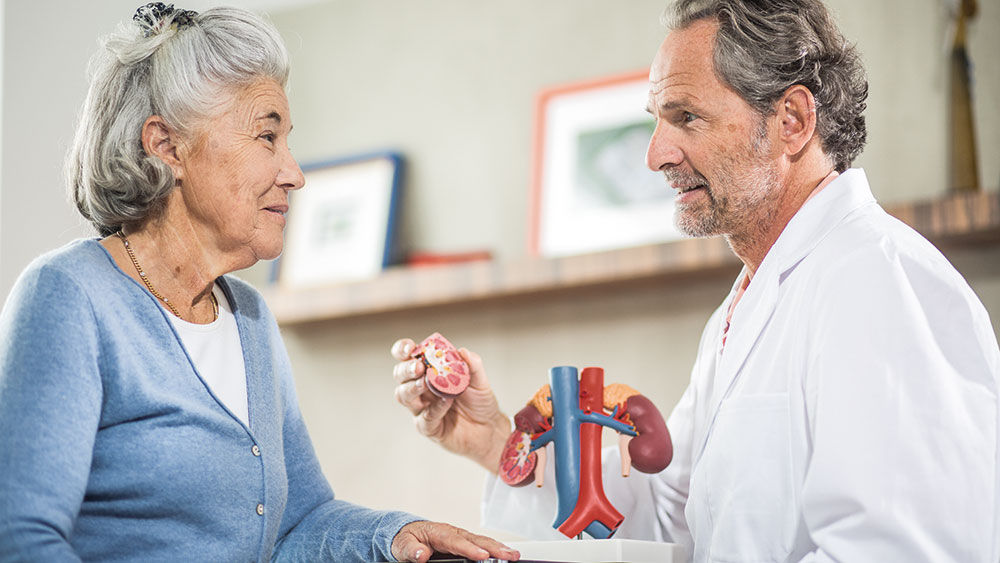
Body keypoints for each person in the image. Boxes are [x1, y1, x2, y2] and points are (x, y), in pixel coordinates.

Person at [392, 0, 1000, 560]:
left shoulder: (878, 282)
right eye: (658, 121)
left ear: (791, 119)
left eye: (686, 117)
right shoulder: (744, 308)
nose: (655, 155)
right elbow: (670, 520)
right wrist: (497, 442)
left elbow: (905, 551)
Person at [0, 4, 521, 563]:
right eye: (267, 136)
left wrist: (395, 533)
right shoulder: (69, 295)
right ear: (167, 146)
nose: (294, 173)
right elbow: (20, 535)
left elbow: (296, 522)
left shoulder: (248, 315)